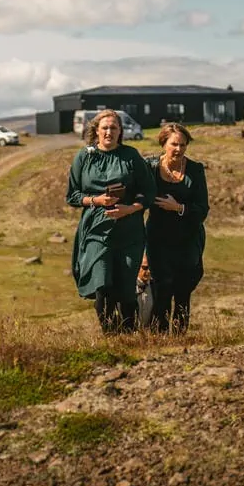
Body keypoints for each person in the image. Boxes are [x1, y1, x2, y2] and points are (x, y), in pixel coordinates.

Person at [66, 109, 155, 334]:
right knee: (102, 286)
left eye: (114, 128)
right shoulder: (84, 157)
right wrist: (95, 199)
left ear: (120, 131)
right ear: (96, 131)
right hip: (96, 231)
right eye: (104, 127)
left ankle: (128, 335)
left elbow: (148, 192)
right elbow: (72, 196)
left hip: (129, 231)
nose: (109, 132)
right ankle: (110, 334)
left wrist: (130, 209)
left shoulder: (131, 156)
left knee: (126, 289)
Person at [143, 122, 209, 334]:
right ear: (164, 143)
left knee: (182, 291)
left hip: (187, 238)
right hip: (158, 239)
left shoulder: (195, 170)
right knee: (161, 289)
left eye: (183, 144)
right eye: (174, 144)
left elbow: (202, 209)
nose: (179, 149)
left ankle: (180, 339)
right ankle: (158, 338)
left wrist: (179, 207)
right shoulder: (150, 167)